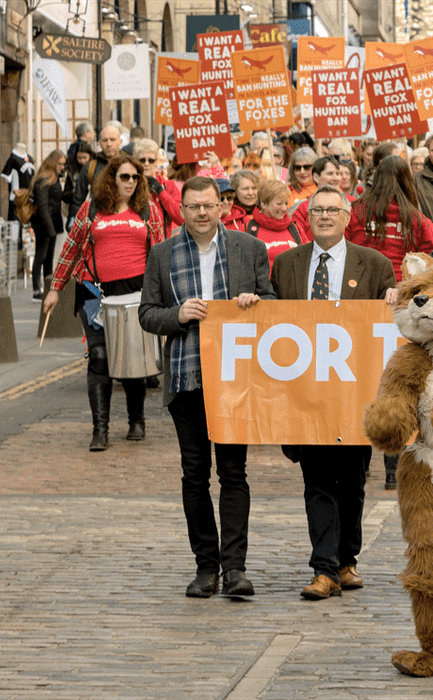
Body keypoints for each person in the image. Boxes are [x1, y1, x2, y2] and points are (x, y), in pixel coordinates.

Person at [138, 176, 274, 598]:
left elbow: (273, 303)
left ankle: (235, 569)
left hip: (235, 379)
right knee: (194, 475)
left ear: (223, 207)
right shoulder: (162, 254)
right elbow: (146, 313)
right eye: (193, 206)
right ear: (181, 208)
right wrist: (176, 315)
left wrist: (255, 303)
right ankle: (205, 568)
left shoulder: (248, 249)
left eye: (208, 205)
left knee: (234, 474)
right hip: (186, 377)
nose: (201, 213)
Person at [271, 185, 396, 598]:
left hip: (356, 392)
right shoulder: (287, 264)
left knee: (354, 479)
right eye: (317, 210)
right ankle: (323, 568)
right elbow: (273, 324)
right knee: (318, 478)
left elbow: (390, 325)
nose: (324, 216)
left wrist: (396, 297)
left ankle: (346, 560)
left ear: (347, 217)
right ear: (307, 217)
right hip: (306, 392)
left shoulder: (375, 265)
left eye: (332, 210)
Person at [43, 155, 166, 450]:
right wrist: (55, 288)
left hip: (137, 293)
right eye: (125, 177)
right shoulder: (92, 207)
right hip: (93, 291)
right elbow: (71, 248)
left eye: (136, 177)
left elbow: (160, 253)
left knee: (132, 356)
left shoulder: (148, 209)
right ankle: (100, 429)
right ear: (111, 179)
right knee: (99, 356)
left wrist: (164, 294)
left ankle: (137, 420)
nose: (131, 182)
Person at [345, 154, 433, 282]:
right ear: (408, 180)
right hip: (400, 289)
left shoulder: (355, 211)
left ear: (377, 177)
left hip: (361, 284)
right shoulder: (419, 220)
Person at [29, 149, 67, 301]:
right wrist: (50, 228)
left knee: (49, 257)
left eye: (63, 164)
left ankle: (48, 286)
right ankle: (36, 290)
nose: (62, 167)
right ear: (53, 163)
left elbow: (57, 198)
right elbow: (43, 206)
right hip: (44, 223)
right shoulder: (43, 180)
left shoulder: (53, 178)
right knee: (41, 255)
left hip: (52, 222)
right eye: (60, 164)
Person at [291, 156, 350, 241]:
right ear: (316, 177)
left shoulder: (351, 202)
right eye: (330, 174)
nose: (335, 178)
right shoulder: (303, 208)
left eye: (337, 174)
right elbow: (298, 237)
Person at [247, 179, 301, 271]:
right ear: (263, 203)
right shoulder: (248, 229)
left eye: (286, 203)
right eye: (279, 204)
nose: (284, 208)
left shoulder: (295, 228)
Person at [72, 125, 122, 208]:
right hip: (97, 217)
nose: (109, 144)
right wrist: (73, 218)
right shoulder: (90, 167)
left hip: (124, 218)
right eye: (105, 140)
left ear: (120, 142)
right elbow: (78, 200)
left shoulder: (130, 165)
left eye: (112, 140)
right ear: (100, 143)